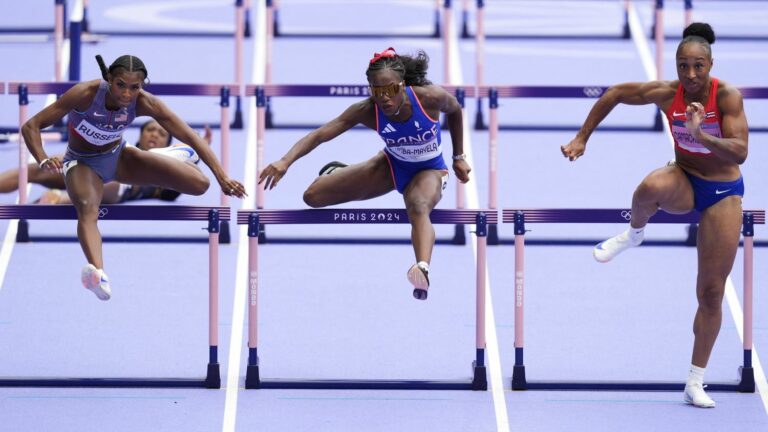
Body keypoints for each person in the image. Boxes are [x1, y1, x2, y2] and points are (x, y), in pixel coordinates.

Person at [561, 23, 748, 408]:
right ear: (676, 67)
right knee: (649, 187)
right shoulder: (666, 94)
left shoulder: (727, 97)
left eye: (698, 66)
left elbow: (740, 152)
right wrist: (583, 136)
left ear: (710, 64)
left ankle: (695, 380)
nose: (691, 75)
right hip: (685, 178)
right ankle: (633, 233)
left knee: (710, 294)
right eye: (684, 66)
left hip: (722, 193)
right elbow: (614, 93)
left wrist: (702, 135)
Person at [21, 54, 246, 301]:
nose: (127, 94)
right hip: (82, 163)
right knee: (87, 208)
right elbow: (31, 126)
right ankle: (99, 275)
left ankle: (170, 153)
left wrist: (223, 176)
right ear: (109, 79)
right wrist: (43, 158)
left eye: (134, 87)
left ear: (142, 86)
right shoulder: (85, 93)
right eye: (120, 85)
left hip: (119, 158)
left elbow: (191, 135)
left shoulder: (144, 102)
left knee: (201, 185)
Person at [258, 47, 471, 300]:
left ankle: (422, 268)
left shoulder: (429, 98)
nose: (385, 99)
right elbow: (319, 135)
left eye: (391, 90)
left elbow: (456, 110)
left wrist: (459, 157)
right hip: (391, 165)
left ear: (402, 85)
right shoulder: (367, 110)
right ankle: (339, 171)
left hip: (429, 169)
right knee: (313, 197)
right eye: (377, 92)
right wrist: (285, 161)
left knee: (418, 205)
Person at [30, 120, 211, 205]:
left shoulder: (164, 170)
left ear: (169, 145)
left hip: (119, 187)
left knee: (114, 183)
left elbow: (177, 188)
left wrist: (198, 149)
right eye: (150, 130)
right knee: (32, 171)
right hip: (95, 165)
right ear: (141, 134)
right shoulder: (126, 152)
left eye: (162, 134)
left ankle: (60, 199)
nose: (155, 134)